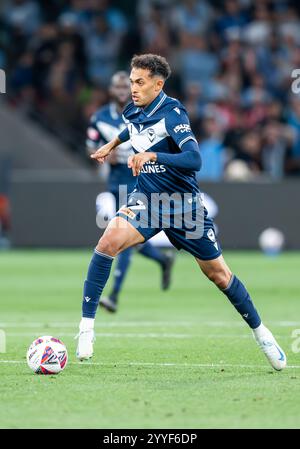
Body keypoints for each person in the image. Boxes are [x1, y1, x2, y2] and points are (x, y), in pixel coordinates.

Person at [76, 54, 286, 372]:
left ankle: (262, 333)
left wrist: (151, 155)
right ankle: (86, 330)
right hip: (147, 199)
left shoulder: (173, 112)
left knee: (219, 275)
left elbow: (193, 159)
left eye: (140, 82)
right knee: (107, 243)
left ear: (158, 84)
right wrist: (111, 144)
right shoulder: (132, 109)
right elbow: (131, 129)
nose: (133, 88)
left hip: (183, 206)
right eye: (132, 81)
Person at [86, 71, 174, 312]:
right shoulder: (100, 117)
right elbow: (91, 147)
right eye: (119, 87)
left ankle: (113, 295)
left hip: (140, 183)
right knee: (127, 239)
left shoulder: (145, 113)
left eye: (129, 86)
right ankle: (162, 259)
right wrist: (104, 154)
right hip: (116, 183)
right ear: (112, 90)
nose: (124, 90)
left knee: (122, 236)